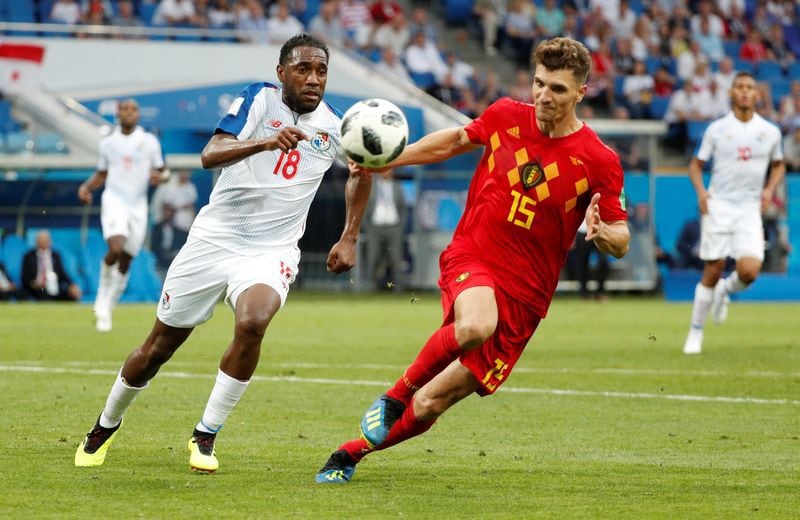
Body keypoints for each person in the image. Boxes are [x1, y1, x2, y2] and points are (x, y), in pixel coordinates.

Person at [315, 37, 630, 484]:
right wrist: (391, 158)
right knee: (474, 326)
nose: (544, 95)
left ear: (580, 93)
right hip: (474, 254)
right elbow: (456, 141)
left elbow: (621, 237)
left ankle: (351, 453)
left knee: (431, 403)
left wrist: (603, 234)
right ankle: (393, 396)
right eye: (539, 83)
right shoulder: (505, 116)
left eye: (558, 89)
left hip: (526, 297)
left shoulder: (599, 160)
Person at [74, 34, 372, 474]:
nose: (313, 79)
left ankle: (205, 435)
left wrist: (349, 236)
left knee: (253, 322)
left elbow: (360, 173)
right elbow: (209, 154)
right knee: (157, 348)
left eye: (321, 71)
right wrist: (265, 143)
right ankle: (105, 425)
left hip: (270, 250)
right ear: (281, 72)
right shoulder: (258, 100)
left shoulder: (335, 124)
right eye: (303, 69)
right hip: (213, 240)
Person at [682, 72, 785, 355]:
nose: (744, 91)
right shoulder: (716, 129)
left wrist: (769, 190)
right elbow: (695, 165)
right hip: (720, 205)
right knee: (713, 268)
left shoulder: (770, 131)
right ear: (731, 93)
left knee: (749, 271)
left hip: (750, 207)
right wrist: (702, 193)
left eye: (750, 87)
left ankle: (725, 291)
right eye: (739, 87)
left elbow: (778, 165)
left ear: (757, 95)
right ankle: (695, 332)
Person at [78, 99, 167, 332]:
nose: (129, 113)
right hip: (114, 200)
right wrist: (86, 187)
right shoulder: (108, 143)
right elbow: (101, 173)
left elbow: (163, 170)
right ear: (118, 114)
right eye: (125, 109)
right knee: (115, 248)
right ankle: (102, 298)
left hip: (138, 205)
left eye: (134, 109)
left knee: (127, 258)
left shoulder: (149, 142)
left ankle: (109, 303)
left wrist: (161, 178)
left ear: (138, 114)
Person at [362, 168, 408, 291]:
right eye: (384, 169)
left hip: (394, 227)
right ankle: (371, 286)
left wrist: (400, 225)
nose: (386, 172)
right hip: (375, 227)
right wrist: (367, 225)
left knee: (396, 258)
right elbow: (364, 205)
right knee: (373, 256)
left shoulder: (398, 186)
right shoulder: (371, 186)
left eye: (389, 169)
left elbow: (403, 207)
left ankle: (398, 288)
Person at [21, 230, 82, 301]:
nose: (43, 243)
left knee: (72, 295)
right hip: (38, 288)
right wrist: (33, 283)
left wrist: (72, 285)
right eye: (41, 241)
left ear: (50, 241)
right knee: (44, 293)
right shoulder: (29, 256)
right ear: (37, 242)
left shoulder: (56, 255)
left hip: (54, 287)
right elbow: (24, 277)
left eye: (45, 240)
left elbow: (63, 274)